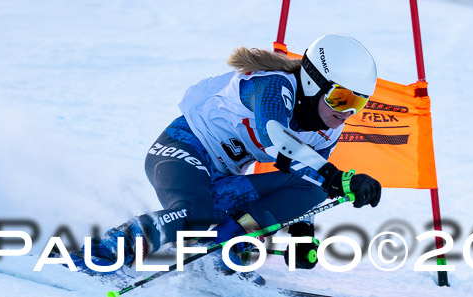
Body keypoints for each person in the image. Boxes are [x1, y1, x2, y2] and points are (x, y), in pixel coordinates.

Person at [72, 33, 382, 280]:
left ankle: (225, 243)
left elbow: (308, 177)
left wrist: (303, 231)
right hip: (182, 150)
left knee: (311, 187)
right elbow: (276, 138)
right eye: (340, 98)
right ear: (314, 84)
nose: (347, 112)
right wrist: (336, 177)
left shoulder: (327, 129)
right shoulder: (273, 87)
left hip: (222, 178)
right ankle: (109, 248)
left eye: (359, 102)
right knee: (194, 214)